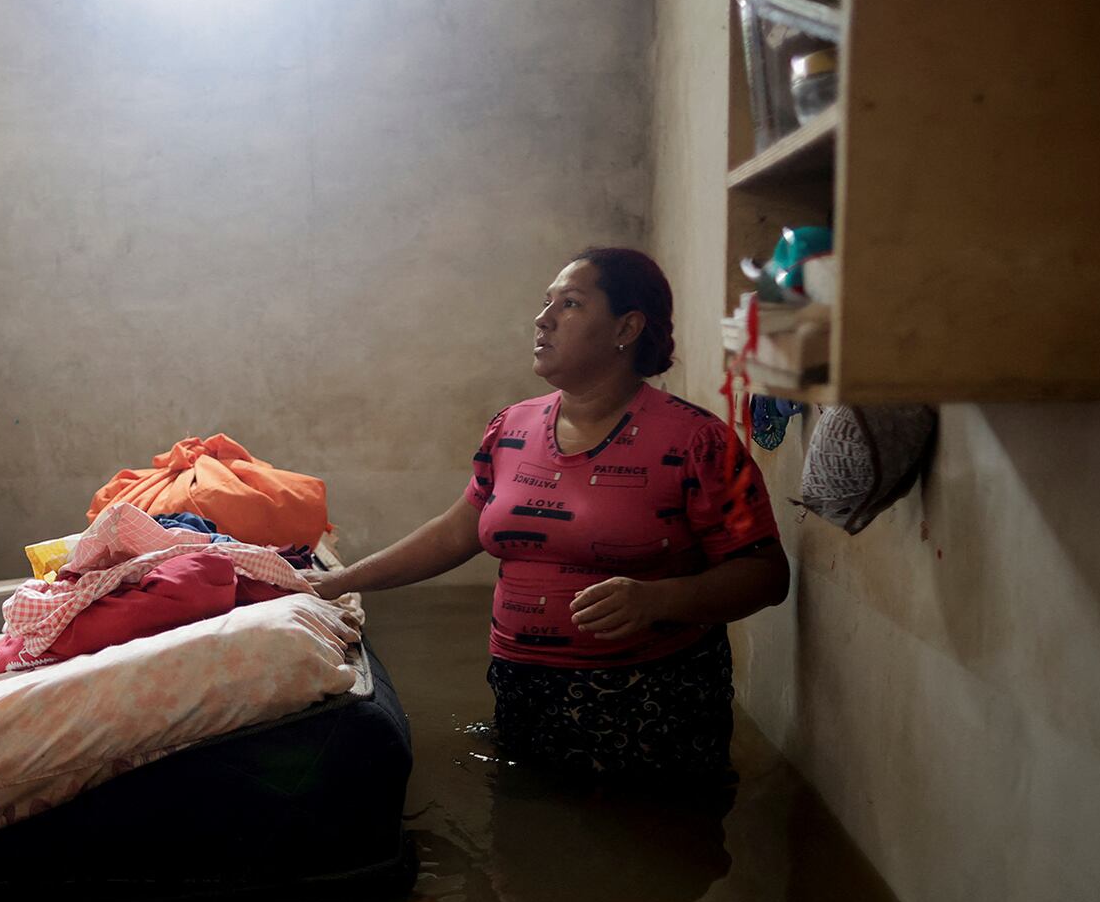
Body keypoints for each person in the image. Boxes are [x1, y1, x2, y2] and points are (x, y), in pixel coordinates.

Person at [306, 247, 788, 777]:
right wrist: (335, 583)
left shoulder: (698, 443)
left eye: (571, 304)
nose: (543, 319)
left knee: (659, 845)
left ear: (626, 327)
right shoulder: (511, 429)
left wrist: (660, 599)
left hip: (649, 706)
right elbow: (453, 533)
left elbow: (765, 574)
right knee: (529, 836)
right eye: (546, 302)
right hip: (523, 693)